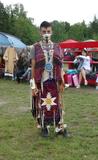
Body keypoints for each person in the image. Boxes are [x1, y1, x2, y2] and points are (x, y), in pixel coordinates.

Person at [30, 21, 67, 137]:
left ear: (52, 32)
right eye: (44, 31)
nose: (46, 34)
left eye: (48, 31)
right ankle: (44, 127)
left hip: (55, 80)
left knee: (57, 103)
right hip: (41, 81)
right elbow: (33, 66)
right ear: (40, 32)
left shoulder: (57, 47)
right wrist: (33, 85)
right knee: (42, 104)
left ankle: (58, 126)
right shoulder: (35, 47)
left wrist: (62, 80)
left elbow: (61, 65)